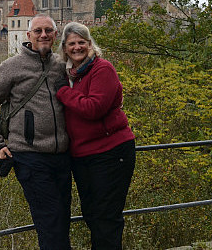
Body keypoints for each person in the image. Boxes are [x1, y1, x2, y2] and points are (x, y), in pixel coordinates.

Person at [0, 14, 71, 250]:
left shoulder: (61, 66)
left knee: (62, 218)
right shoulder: (11, 67)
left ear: (55, 35)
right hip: (30, 156)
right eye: (38, 31)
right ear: (28, 35)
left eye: (48, 31)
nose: (43, 35)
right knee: (50, 221)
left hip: (62, 156)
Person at [55, 21, 135, 250]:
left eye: (82, 42)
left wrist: (63, 92)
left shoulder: (102, 69)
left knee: (106, 218)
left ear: (90, 44)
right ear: (64, 48)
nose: (77, 47)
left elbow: (94, 108)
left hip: (111, 153)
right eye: (72, 43)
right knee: (92, 214)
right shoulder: (70, 74)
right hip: (82, 156)